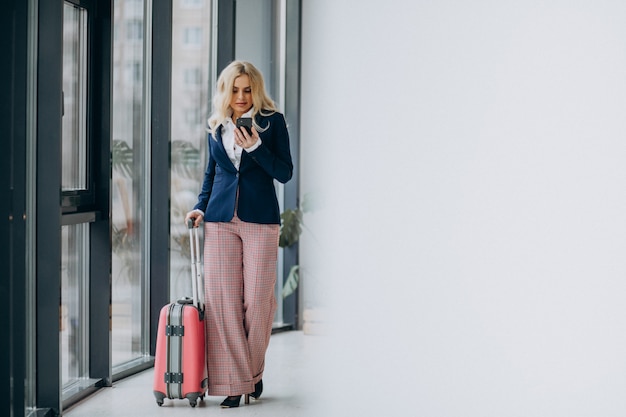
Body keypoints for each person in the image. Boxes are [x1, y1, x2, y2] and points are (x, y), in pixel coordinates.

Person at [184, 60, 293, 408]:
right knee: (224, 304)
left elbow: (285, 173)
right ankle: (235, 383)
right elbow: (212, 172)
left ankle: (251, 374)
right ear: (225, 92)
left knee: (258, 302)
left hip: (260, 219)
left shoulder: (271, 123)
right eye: (235, 89)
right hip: (218, 220)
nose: (241, 96)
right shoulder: (217, 125)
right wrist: (201, 206)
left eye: (247, 89)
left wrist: (256, 147)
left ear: (256, 89)